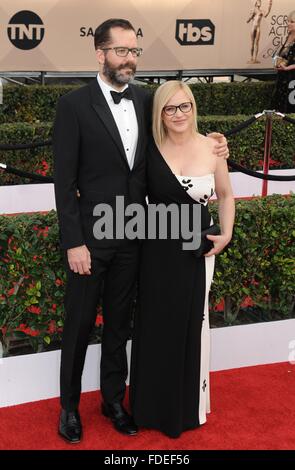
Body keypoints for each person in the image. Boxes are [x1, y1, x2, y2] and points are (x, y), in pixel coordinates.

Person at [53, 19, 229, 443]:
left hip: (137, 237)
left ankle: (113, 401)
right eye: (121, 52)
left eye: (135, 51)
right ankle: (69, 407)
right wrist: (74, 241)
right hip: (91, 239)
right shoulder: (73, 105)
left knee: (118, 324)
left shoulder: (148, 100)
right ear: (100, 54)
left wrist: (215, 144)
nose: (130, 59)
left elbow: (178, 134)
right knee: (78, 325)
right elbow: (64, 182)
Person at [130, 81, 235, 438]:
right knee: (154, 325)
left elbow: (225, 194)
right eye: (170, 108)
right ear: (159, 113)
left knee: (191, 323)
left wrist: (226, 234)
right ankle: (149, 408)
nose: (179, 114)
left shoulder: (212, 146)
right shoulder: (149, 147)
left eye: (185, 106)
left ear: (194, 107)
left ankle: (185, 407)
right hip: (156, 248)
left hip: (197, 248)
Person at [273, 11, 295, 113]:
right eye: (288, 21)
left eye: (292, 22)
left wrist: (287, 68)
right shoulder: (288, 37)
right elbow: (285, 57)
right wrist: (278, 62)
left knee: (290, 107)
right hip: (282, 77)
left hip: (293, 79)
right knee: (279, 107)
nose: (288, 24)